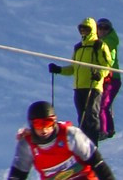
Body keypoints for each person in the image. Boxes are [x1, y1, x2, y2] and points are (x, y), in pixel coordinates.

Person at [48, 17, 113, 145]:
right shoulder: (78, 48)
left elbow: (106, 65)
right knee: (82, 119)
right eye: (81, 29)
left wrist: (99, 75)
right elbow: (73, 68)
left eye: (86, 29)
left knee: (91, 117)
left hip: (93, 86)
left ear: (92, 30)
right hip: (79, 87)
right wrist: (59, 70)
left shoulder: (99, 45)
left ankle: (92, 147)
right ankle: (84, 147)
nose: (83, 32)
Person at [96, 18, 120, 139]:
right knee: (104, 105)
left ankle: (104, 131)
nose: (103, 30)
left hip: (111, 78)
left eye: (106, 28)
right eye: (100, 28)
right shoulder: (102, 42)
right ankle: (108, 130)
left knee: (103, 105)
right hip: (106, 77)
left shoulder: (108, 42)